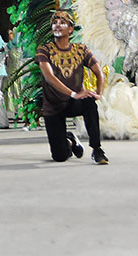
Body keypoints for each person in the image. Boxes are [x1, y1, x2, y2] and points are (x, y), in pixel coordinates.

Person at [36, 9, 109, 165]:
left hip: (72, 103)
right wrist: (73, 94)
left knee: (89, 102)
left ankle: (97, 149)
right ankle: (70, 141)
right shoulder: (44, 50)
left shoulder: (81, 50)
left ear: (70, 29)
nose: (57, 25)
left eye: (62, 22)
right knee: (60, 156)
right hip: (53, 106)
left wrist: (99, 93)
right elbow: (49, 77)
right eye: (54, 22)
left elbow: (99, 72)